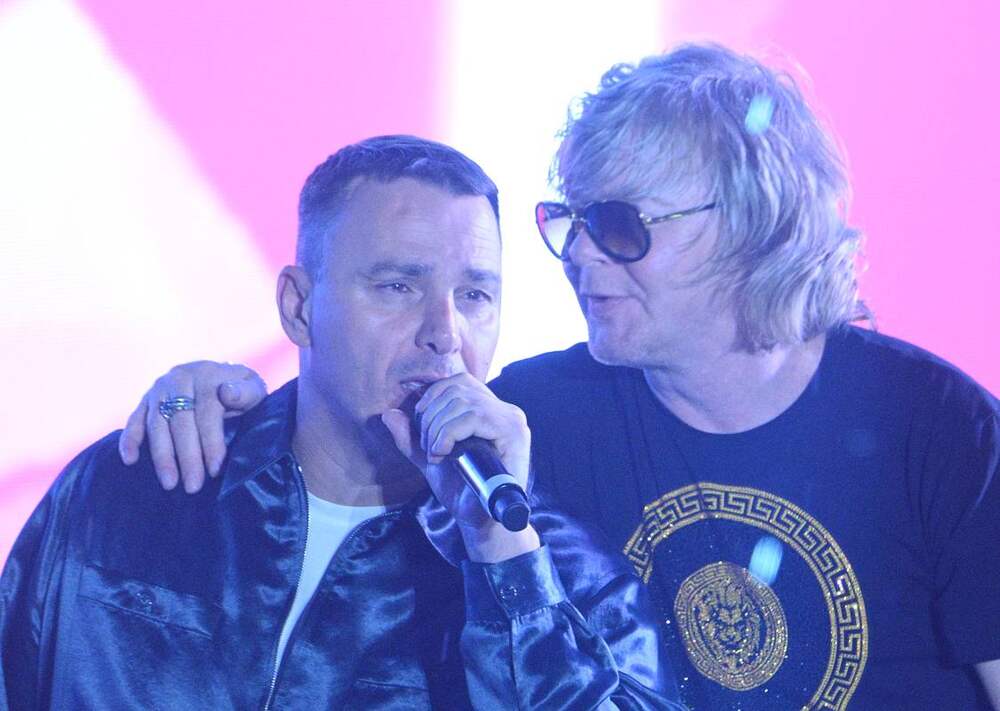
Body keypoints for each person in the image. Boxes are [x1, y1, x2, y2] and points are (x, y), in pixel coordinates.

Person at [117, 44, 1000, 710]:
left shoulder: (937, 429)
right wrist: (200, 399)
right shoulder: (532, 417)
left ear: (751, 224)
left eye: (618, 224)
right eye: (569, 220)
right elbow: (344, 424)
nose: (578, 253)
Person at [0, 136, 681, 709]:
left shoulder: (563, 575)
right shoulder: (137, 487)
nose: (445, 333)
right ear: (298, 307)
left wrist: (500, 556)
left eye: (474, 294)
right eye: (398, 286)